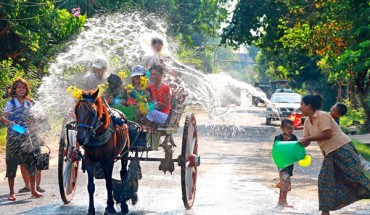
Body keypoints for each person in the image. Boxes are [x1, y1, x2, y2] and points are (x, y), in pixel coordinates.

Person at [299, 94, 370, 215]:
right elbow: (306, 140)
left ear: (309, 106)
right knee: (325, 181)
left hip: (342, 149)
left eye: (301, 104)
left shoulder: (322, 115)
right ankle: (325, 212)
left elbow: (327, 134)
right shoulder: (307, 122)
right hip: (329, 153)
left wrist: (308, 139)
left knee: (356, 178)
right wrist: (296, 145)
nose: (300, 107)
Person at [0, 77, 43, 201]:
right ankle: (11, 193)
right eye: (19, 87)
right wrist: (9, 122)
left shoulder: (28, 104)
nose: (21, 90)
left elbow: (30, 119)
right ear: (14, 90)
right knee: (11, 163)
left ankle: (33, 190)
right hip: (13, 137)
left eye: (23, 88)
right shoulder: (10, 103)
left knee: (30, 162)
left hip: (25, 135)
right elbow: (2, 117)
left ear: (26, 90)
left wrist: (34, 124)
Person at [274, 119, 297, 207]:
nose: (290, 130)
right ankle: (282, 202)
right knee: (285, 183)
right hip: (282, 164)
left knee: (287, 186)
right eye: (287, 128)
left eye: (291, 128)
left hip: (290, 164)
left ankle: (282, 199)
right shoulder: (278, 138)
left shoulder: (294, 137)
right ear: (282, 128)